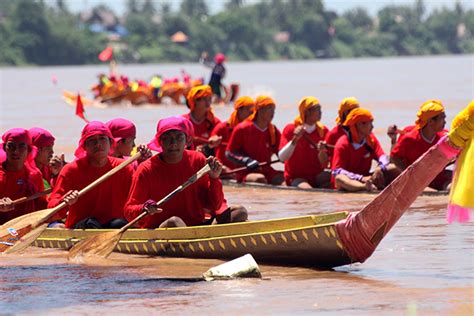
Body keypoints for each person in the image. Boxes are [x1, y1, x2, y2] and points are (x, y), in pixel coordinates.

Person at [124, 116, 247, 228]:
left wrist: (214, 178)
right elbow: (129, 211)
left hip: (196, 225)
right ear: (160, 142)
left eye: (179, 138)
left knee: (239, 212)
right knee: (175, 222)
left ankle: (204, 239)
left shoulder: (198, 160)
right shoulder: (146, 169)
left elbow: (213, 205)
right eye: (167, 139)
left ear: (188, 141)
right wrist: (144, 208)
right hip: (162, 227)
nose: (173, 144)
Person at [47, 121, 139, 229]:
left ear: (110, 142)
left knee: (119, 223)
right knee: (91, 223)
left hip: (114, 227)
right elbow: (51, 211)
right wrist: (64, 201)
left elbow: (136, 201)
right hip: (83, 227)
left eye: (102, 139)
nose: (98, 144)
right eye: (92, 140)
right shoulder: (70, 170)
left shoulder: (124, 167)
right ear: (84, 146)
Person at [332, 108, 399, 192]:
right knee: (340, 178)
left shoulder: (371, 140)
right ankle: (364, 187)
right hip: (350, 181)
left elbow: (382, 156)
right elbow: (337, 171)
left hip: (367, 178)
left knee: (396, 167)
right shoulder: (342, 144)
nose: (372, 127)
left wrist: (380, 168)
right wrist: (361, 178)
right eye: (370, 123)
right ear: (360, 125)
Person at [390, 100, 450, 190]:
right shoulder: (410, 138)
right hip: (416, 181)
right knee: (384, 172)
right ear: (430, 122)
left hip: (438, 179)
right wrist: (408, 173)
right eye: (442, 118)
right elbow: (394, 157)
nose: (445, 122)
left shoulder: (445, 137)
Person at [226, 95, 284, 185]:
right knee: (260, 179)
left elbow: (281, 153)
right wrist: (247, 161)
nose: (273, 112)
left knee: (285, 179)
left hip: (267, 170)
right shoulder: (242, 128)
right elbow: (229, 153)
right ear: (259, 109)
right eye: (269, 108)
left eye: (274, 109)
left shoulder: (273, 131)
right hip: (246, 171)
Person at [279, 97, 330, 188]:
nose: (320, 112)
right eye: (317, 109)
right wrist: (295, 140)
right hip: (296, 177)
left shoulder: (324, 130)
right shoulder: (290, 129)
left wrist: (322, 151)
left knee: (337, 180)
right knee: (308, 191)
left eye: (320, 109)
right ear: (307, 112)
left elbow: (325, 163)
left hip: (317, 176)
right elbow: (282, 158)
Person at [0, 128, 46, 224]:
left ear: (29, 149)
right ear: (4, 148)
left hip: (26, 225)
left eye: (21, 147)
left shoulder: (35, 175)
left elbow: (42, 206)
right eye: (11, 146)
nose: (16, 151)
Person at [210, 96, 255, 173]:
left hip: (243, 168)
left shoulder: (253, 129)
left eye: (253, 110)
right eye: (249, 109)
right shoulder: (222, 127)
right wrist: (213, 141)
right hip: (223, 168)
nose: (252, 113)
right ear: (239, 110)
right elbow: (210, 143)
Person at [183, 85, 222, 154]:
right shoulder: (183, 121)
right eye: (204, 99)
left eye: (210, 99)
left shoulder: (215, 122)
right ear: (194, 101)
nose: (208, 102)